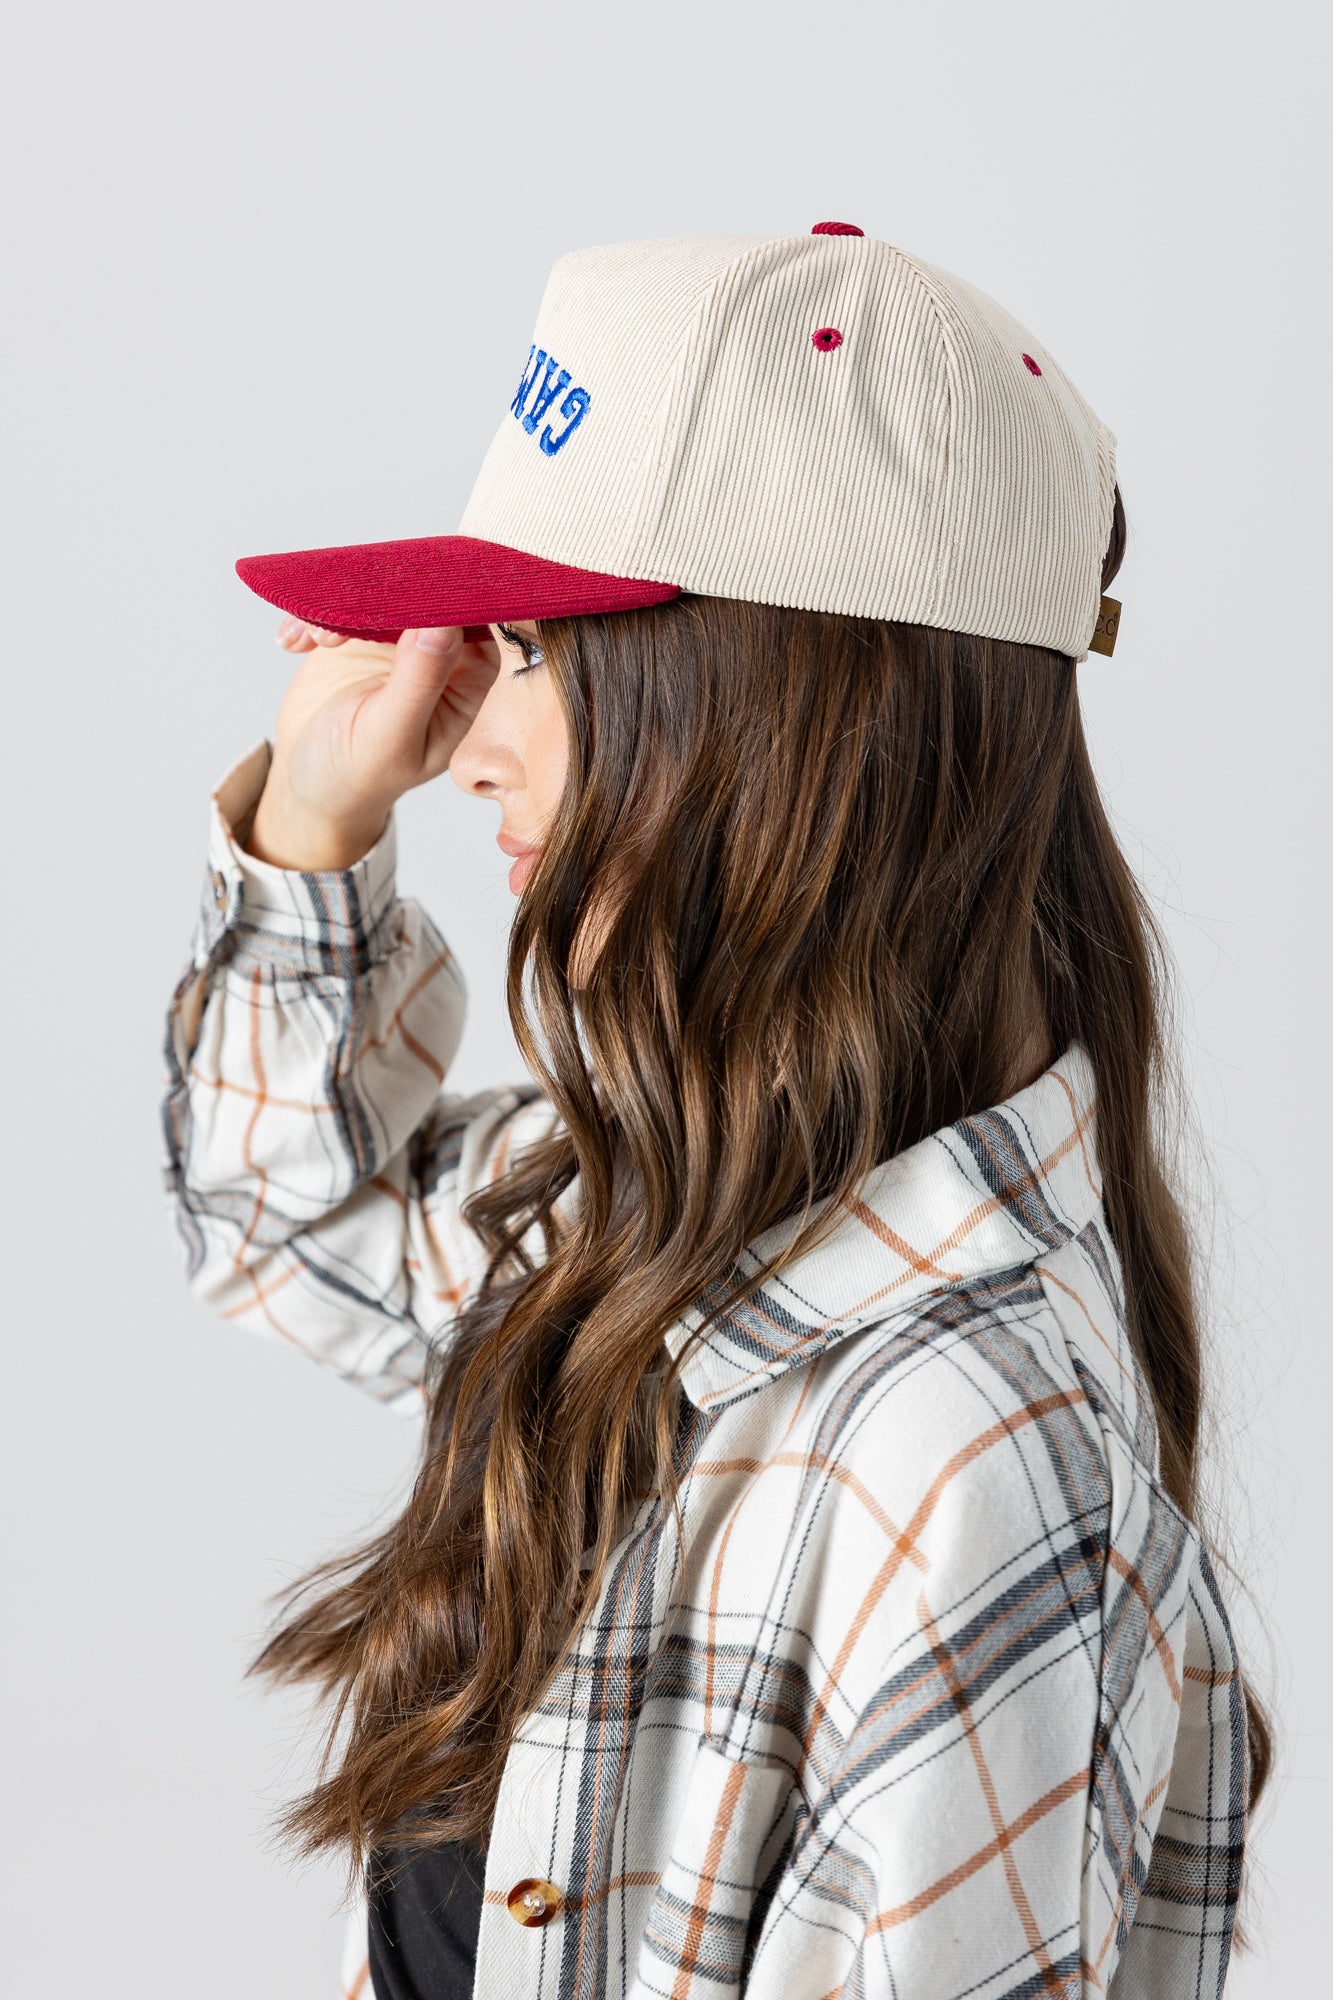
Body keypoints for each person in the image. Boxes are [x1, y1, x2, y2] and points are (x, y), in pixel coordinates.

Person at [161, 224, 1269, 2000]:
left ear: (786, 698)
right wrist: (309, 827)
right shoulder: (650, 1220)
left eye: (535, 652)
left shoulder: (961, 1454)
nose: (463, 742)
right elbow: (289, 1222)